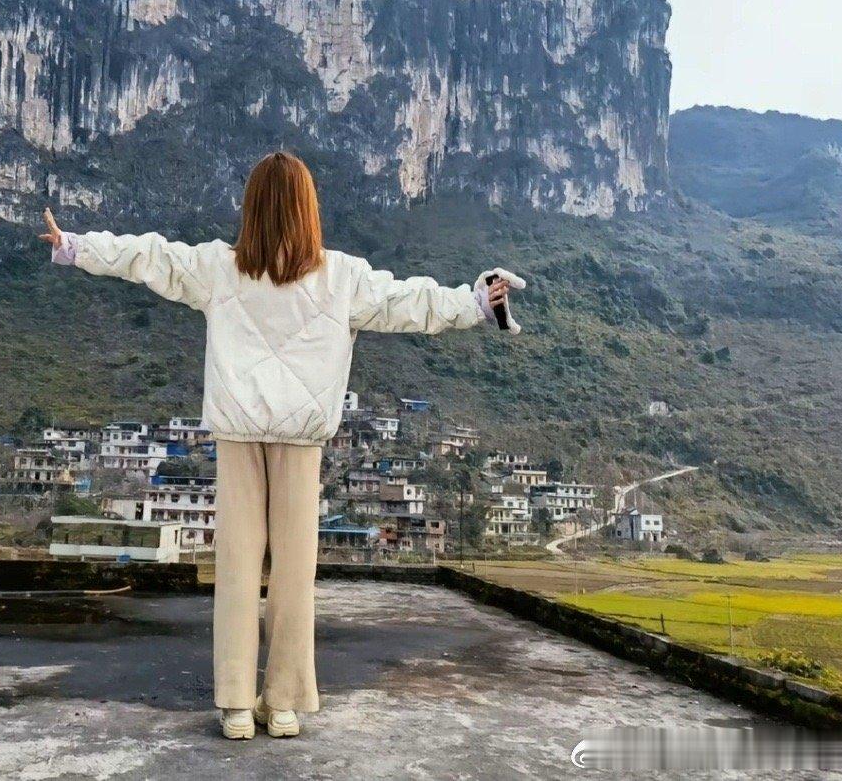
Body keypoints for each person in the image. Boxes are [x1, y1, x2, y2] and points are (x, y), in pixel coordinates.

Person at [40, 150, 522, 740]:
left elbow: (150, 257)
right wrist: (475, 302)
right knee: (294, 575)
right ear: (307, 208)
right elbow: (411, 303)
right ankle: (285, 702)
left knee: (237, 571)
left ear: (252, 207)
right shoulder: (341, 276)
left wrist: (76, 246)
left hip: (238, 434)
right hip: (301, 439)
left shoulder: (219, 268)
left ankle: (236, 705)